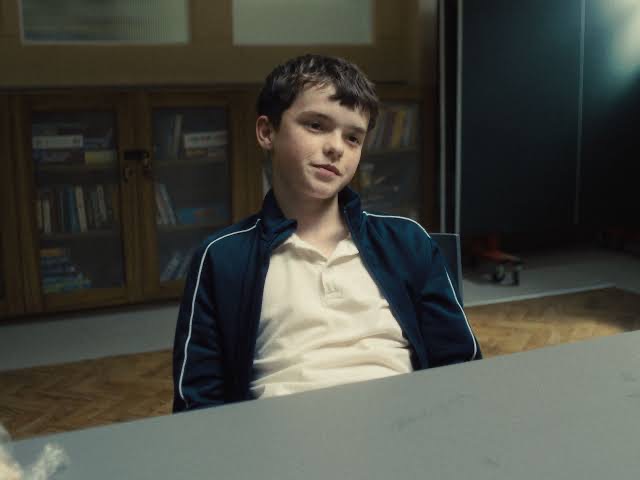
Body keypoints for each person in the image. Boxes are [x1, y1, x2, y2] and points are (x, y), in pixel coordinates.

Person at [172, 54, 481, 412]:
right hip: (279, 433)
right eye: (316, 125)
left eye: (353, 138)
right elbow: (197, 400)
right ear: (267, 132)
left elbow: (461, 362)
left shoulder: (406, 240)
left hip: (403, 421)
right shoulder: (222, 257)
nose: (336, 147)